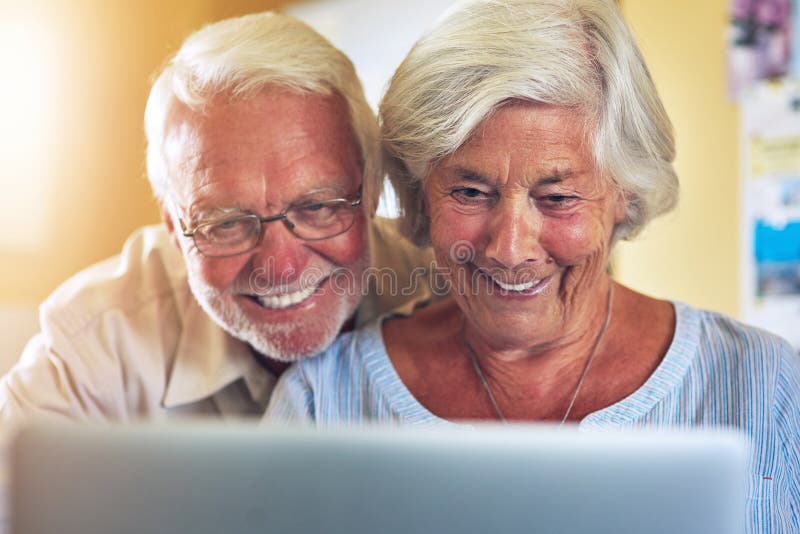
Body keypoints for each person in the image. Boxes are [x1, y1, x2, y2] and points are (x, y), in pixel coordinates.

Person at [265, 0, 800, 531]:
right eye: (470, 192)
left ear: (625, 194)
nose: (510, 248)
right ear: (422, 196)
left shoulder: (765, 384)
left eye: (558, 197)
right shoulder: (322, 403)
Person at [0, 11, 433, 423]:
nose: (280, 267)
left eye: (316, 207)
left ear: (372, 191)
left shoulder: (443, 292)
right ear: (174, 227)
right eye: (226, 223)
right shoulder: (98, 339)